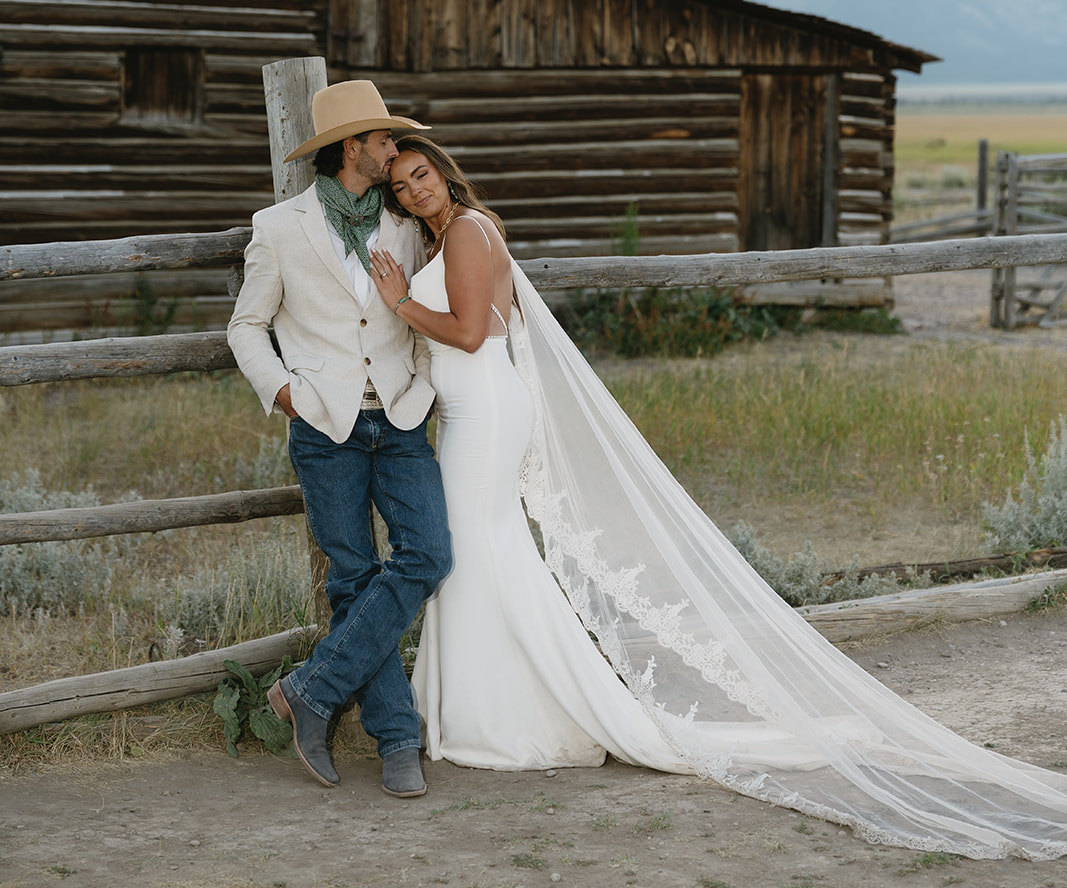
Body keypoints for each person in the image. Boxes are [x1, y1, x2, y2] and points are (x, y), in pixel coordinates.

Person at [369, 133, 1067, 862]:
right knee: (482, 552)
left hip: (483, 413)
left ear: (445, 174)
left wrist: (398, 304)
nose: (414, 189)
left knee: (477, 550)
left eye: (422, 175)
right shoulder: (443, 238)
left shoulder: (471, 232)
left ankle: (508, 715)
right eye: (401, 185)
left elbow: (472, 332)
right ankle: (483, 706)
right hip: (467, 413)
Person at [227, 82, 452, 800]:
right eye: (384, 141)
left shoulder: (402, 223)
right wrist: (284, 392)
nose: (394, 151)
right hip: (325, 425)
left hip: (402, 416)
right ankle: (395, 741)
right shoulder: (279, 225)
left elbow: (418, 306)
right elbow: (245, 325)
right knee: (353, 575)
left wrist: (421, 378)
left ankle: (312, 691)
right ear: (351, 147)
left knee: (427, 553)